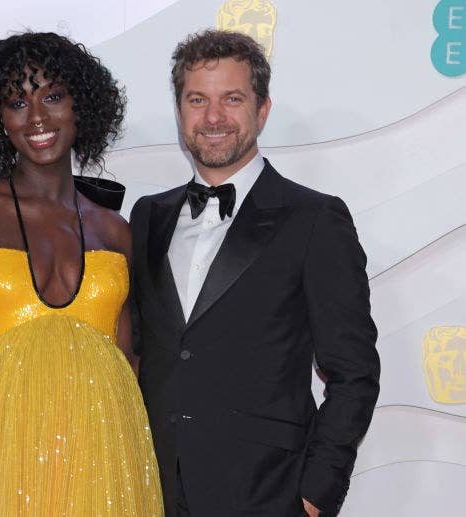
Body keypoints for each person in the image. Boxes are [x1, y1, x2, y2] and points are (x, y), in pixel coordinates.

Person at [0, 32, 163, 516]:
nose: (38, 118)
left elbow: (129, 364)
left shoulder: (116, 230)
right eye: (17, 102)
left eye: (52, 96)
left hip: (100, 463)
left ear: (81, 104)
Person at [129, 30, 380, 517]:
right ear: (180, 110)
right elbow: (137, 349)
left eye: (233, 99)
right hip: (150, 489)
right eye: (197, 99)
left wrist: (313, 496)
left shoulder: (313, 219)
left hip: (266, 494)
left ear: (262, 110)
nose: (214, 117)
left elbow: (355, 372)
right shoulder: (146, 217)